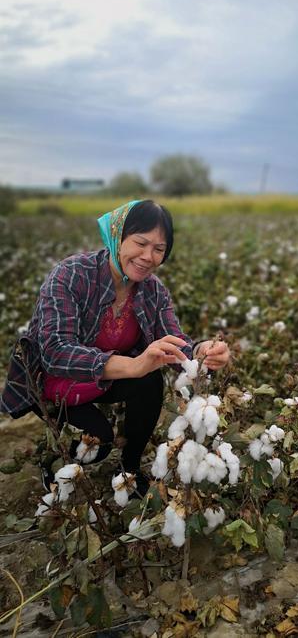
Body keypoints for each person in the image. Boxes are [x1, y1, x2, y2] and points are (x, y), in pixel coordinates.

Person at [0, 199, 230, 491]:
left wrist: (201, 352)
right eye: (140, 243)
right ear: (117, 237)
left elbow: (175, 342)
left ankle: (130, 469)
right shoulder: (70, 275)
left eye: (159, 249)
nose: (148, 256)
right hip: (53, 379)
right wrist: (133, 365)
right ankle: (54, 462)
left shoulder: (153, 291)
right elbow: (54, 352)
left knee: (150, 379)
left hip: (107, 377)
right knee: (98, 441)